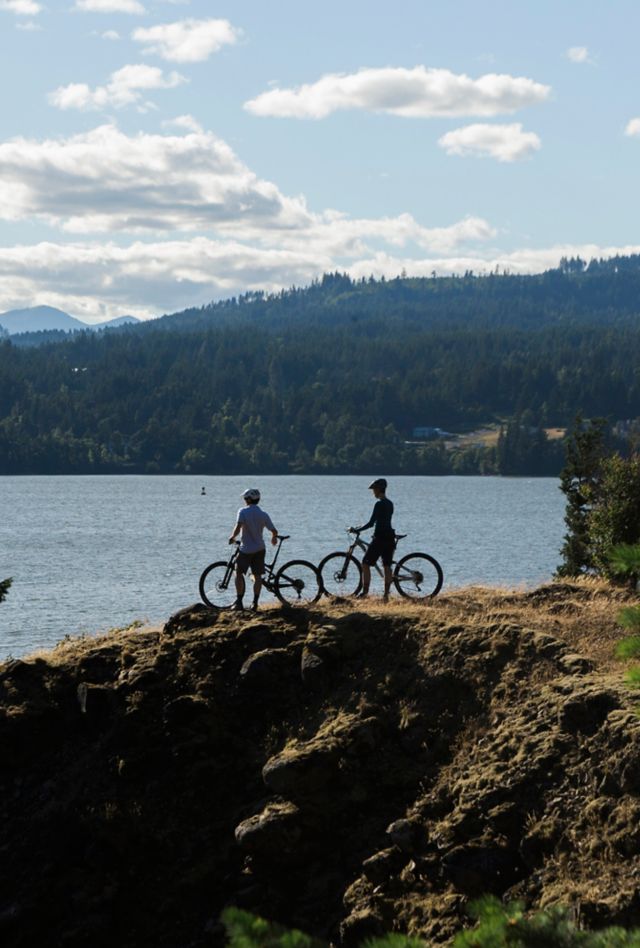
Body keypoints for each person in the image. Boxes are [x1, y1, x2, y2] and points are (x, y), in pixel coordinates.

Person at [229, 488, 278, 611]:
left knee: (238, 572)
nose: (244, 501)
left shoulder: (243, 512)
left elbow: (238, 526)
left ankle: (239, 601)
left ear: (249, 499)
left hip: (246, 550)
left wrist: (232, 537)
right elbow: (274, 531)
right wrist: (274, 539)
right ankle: (255, 603)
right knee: (258, 577)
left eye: (245, 498)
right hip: (260, 549)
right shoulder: (263, 514)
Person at [350, 478, 394, 601]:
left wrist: (358, 530)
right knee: (387, 565)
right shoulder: (390, 503)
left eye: (374, 489)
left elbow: (371, 523)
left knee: (365, 563)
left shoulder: (379, 504)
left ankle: (365, 593)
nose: (373, 492)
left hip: (380, 538)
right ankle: (386, 595)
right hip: (390, 537)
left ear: (379, 489)